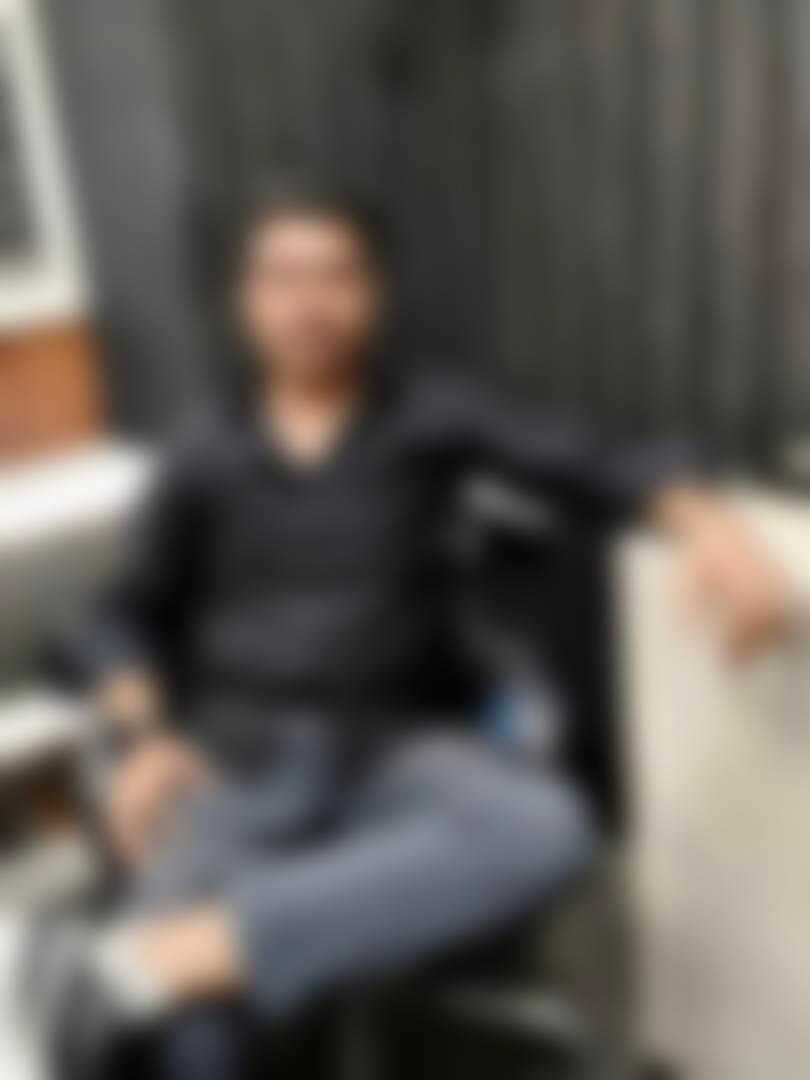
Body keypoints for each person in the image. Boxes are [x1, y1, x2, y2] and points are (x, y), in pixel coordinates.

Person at [28, 181, 790, 1078]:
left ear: (375, 294)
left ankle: (190, 949)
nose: (309, 302)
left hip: (396, 749)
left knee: (549, 830)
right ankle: (196, 958)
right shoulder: (201, 451)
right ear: (246, 298)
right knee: (185, 1038)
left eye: (336, 276)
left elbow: (586, 459)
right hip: (232, 763)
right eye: (283, 278)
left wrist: (707, 521)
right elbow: (124, 612)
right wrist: (142, 736)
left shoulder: (431, 413)